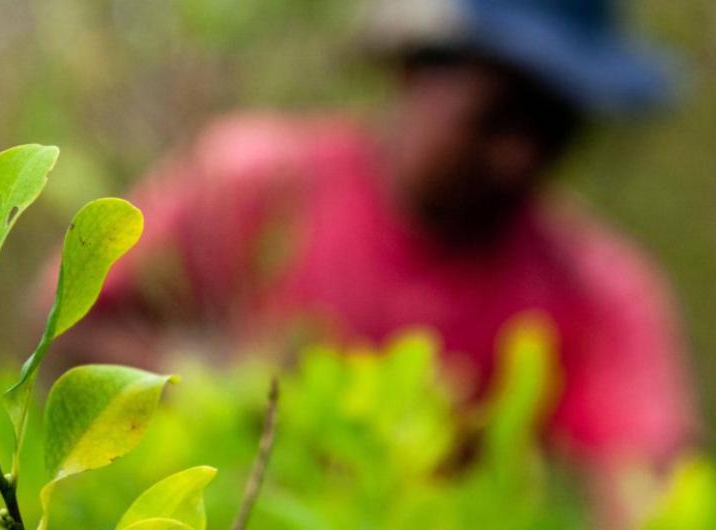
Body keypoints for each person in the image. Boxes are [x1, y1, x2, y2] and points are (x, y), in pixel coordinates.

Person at [43, 0, 694, 526]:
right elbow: (63, 317)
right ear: (417, 72)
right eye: (496, 118)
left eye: (554, 132)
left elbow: (648, 490)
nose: (519, 158)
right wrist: (219, 401)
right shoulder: (256, 184)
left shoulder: (597, 290)